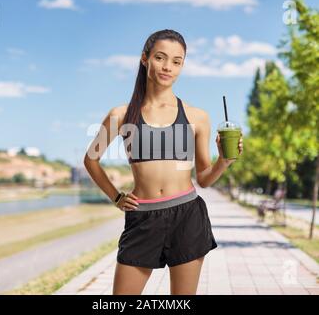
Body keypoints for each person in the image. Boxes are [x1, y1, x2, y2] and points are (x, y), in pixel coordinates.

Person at [83, 29, 243, 295]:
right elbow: (91, 160)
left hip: (187, 216)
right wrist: (116, 197)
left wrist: (224, 162)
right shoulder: (121, 115)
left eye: (177, 61)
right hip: (142, 218)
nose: (168, 67)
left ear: (182, 66)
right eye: (160, 57)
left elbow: (203, 177)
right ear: (145, 59)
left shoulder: (196, 116)